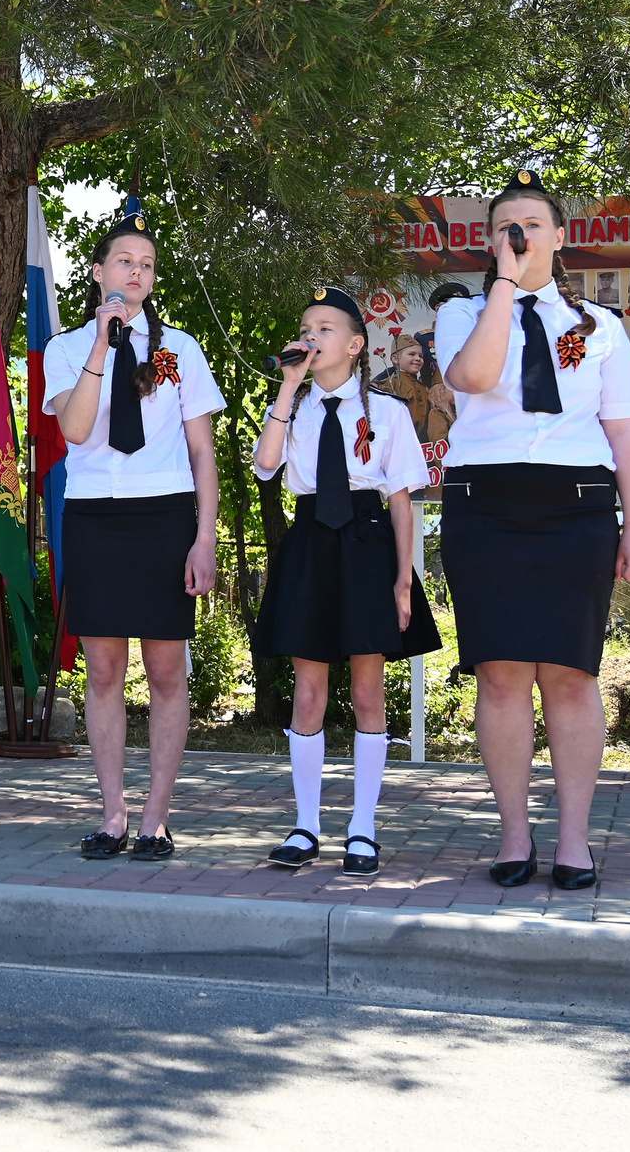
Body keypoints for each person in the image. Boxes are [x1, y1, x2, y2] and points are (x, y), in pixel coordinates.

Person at [437, 170, 630, 890]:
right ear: (491, 239)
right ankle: (512, 834)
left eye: (532, 223)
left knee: (570, 672)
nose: (520, 234)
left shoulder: (601, 328)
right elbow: (474, 377)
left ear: (559, 238)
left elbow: (626, 436)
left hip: (577, 503)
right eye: (506, 224)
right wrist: (504, 285)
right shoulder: (463, 313)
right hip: (486, 499)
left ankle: (573, 839)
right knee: (500, 672)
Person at [44, 205, 225, 863]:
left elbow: (203, 451)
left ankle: (156, 816)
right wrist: (103, 341)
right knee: (104, 670)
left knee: (168, 669)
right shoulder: (66, 350)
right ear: (98, 271)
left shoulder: (177, 353)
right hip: (95, 517)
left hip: (165, 515)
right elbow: (78, 429)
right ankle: (113, 813)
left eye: (147, 264)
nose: (138, 272)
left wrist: (204, 536)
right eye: (125, 261)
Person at [251, 287, 441, 876]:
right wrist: (286, 385)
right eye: (306, 327)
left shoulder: (385, 411)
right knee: (308, 692)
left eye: (325, 328)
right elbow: (264, 464)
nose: (312, 336)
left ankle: (363, 827)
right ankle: (306, 824)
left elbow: (403, 500)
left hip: (365, 546)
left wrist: (404, 583)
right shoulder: (295, 406)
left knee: (366, 692)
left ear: (357, 344)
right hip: (310, 544)